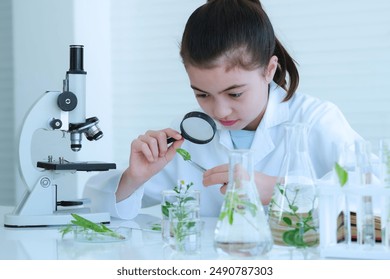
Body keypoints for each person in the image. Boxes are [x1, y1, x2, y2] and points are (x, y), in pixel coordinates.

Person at [84, 0, 362, 219]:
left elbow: (373, 193)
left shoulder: (315, 119)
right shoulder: (188, 134)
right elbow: (104, 211)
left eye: (235, 93)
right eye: (202, 94)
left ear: (269, 69)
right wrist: (134, 178)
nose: (220, 111)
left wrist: (279, 190)